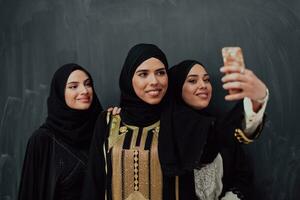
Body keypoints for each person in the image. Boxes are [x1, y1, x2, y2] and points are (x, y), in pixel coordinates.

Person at [81, 44, 267, 200]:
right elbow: (94, 183)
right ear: (129, 79)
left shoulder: (179, 120)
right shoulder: (108, 121)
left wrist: (256, 101)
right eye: (143, 74)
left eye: (161, 73)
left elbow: (222, 136)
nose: (154, 81)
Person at [160, 60, 268, 199]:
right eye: (192, 81)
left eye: (207, 80)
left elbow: (242, 176)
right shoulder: (165, 130)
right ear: (177, 86)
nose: (203, 86)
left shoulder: (215, 124)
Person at [18, 63, 103, 200]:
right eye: (73, 86)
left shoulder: (102, 131)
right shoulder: (42, 140)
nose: (85, 91)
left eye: (88, 84)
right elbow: (30, 193)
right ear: (60, 93)